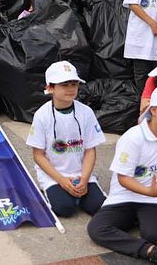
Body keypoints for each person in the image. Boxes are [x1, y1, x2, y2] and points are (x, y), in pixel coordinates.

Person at [86, 84, 157, 264]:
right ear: (155, 110)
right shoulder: (133, 137)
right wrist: (150, 191)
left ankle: (146, 233)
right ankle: (150, 251)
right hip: (125, 196)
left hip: (156, 199)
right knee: (96, 229)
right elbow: (123, 178)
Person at [28, 61, 107, 218]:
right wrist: (62, 180)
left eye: (74, 84)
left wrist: (84, 179)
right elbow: (38, 155)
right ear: (50, 88)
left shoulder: (86, 112)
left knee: (99, 207)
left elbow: (90, 150)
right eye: (64, 84)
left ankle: (84, 188)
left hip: (80, 173)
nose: (71, 89)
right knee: (65, 208)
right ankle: (52, 190)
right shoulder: (42, 115)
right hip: (54, 175)